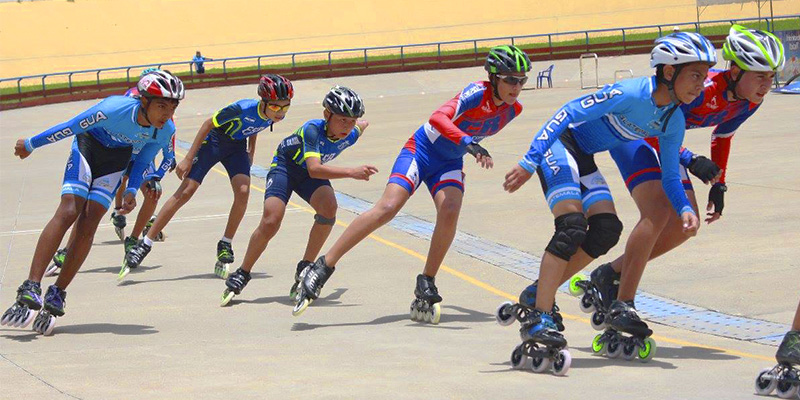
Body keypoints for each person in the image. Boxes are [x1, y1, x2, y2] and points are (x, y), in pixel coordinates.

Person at [500, 32, 716, 361]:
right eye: (696, 75)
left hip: (583, 156)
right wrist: (530, 160)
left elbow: (671, 176)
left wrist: (685, 208)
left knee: (606, 230)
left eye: (704, 76)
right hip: (561, 146)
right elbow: (566, 112)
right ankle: (541, 315)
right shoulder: (630, 92)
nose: (702, 84)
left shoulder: (674, 119)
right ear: (669, 73)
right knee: (572, 227)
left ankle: (537, 292)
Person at [566, 25, 786, 333]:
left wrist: (719, 183)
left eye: (772, 76)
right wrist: (690, 160)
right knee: (656, 213)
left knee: (687, 226)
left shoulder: (750, 100)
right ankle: (624, 303)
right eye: (760, 75)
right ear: (735, 70)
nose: (767, 84)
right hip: (635, 135)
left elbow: (723, 135)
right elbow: (654, 123)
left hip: (668, 141)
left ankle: (609, 273)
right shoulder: (702, 90)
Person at [293, 45, 531, 322]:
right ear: (494, 78)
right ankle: (323, 266)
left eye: (522, 79)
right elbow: (437, 118)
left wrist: (465, 151)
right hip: (421, 151)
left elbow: (474, 129)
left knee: (451, 209)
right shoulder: (476, 92)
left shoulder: (514, 110)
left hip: (450, 162)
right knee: (388, 207)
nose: (517, 86)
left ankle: (426, 280)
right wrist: (468, 143)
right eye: (510, 79)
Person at [0, 71, 183, 334]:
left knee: (91, 220)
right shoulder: (113, 108)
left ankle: (58, 293)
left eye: (172, 107)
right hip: (88, 146)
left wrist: (131, 189)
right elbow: (71, 126)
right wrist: (31, 143)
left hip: (116, 159)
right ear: (144, 101)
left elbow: (144, 160)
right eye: (161, 105)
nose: (167, 113)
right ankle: (31, 284)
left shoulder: (165, 130)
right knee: (69, 210)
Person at [120, 74, 293, 281]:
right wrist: (188, 158)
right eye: (275, 107)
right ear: (263, 101)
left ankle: (225, 243)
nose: (280, 113)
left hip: (236, 148)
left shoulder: (269, 114)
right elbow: (206, 124)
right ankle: (145, 243)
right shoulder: (242, 108)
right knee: (186, 192)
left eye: (285, 107)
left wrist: (250, 152)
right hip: (214, 142)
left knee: (244, 191)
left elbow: (255, 127)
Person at [220, 86, 375, 306]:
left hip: (309, 174)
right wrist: (352, 172)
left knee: (329, 208)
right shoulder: (312, 129)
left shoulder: (351, 133)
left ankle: (306, 265)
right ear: (326, 115)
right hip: (286, 168)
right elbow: (314, 169)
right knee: (271, 220)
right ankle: (243, 272)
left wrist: (360, 124)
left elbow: (362, 125)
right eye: (342, 120)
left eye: (352, 121)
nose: (347, 127)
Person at [48, 67, 177, 276]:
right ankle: (70, 247)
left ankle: (133, 241)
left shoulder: (165, 116)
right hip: (119, 152)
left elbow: (169, 155)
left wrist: (156, 177)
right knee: (90, 204)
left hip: (141, 158)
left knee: (153, 192)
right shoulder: (130, 101)